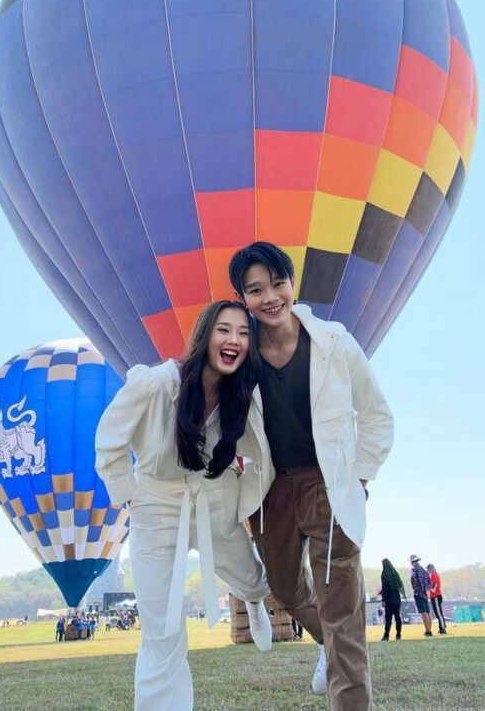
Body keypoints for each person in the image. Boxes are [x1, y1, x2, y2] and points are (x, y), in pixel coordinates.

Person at [229, 242, 394, 710]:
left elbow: (376, 415)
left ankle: (345, 673)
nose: (270, 297)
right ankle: (330, 642)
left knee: (343, 609)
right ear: (243, 298)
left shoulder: (335, 343)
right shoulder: (242, 356)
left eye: (277, 284)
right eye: (255, 290)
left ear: (292, 283)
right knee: (284, 587)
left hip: (330, 485)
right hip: (271, 491)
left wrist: (359, 479)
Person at [96, 300, 275, 711]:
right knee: (162, 631)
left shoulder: (242, 396)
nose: (234, 340)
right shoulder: (155, 385)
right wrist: (130, 495)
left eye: (244, 333)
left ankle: (253, 601)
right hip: (155, 504)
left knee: (250, 576)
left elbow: (262, 449)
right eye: (224, 330)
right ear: (204, 335)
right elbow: (109, 439)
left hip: (213, 494)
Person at [380, 558, 406, 641]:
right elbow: (399, 585)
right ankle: (398, 634)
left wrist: (383, 599)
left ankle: (386, 636)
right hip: (397, 599)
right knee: (397, 617)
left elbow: (385, 588)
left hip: (389, 600)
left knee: (388, 618)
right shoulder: (395, 573)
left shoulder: (384, 574)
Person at [409, 555, 433, 635]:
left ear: (412, 562)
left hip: (418, 593)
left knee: (423, 612)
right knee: (428, 612)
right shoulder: (425, 571)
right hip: (425, 594)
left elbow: (413, 580)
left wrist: (416, 589)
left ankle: (428, 631)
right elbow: (430, 583)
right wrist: (426, 590)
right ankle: (429, 630)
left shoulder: (414, 569)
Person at [427, 563, 447, 634]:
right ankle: (441, 627)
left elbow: (434, 589)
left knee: (439, 613)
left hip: (436, 596)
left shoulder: (434, 575)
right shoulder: (434, 575)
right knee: (437, 613)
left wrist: (427, 587)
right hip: (434, 597)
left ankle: (443, 629)